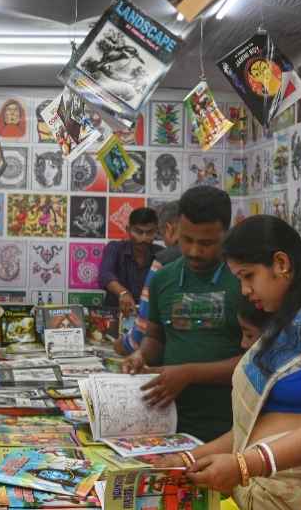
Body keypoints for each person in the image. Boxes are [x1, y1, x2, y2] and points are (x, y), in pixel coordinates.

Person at [150, 216, 301, 509]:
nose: (245, 290)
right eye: (239, 280)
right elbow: (248, 428)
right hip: (259, 493)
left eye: (248, 276)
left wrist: (244, 466)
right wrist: (188, 459)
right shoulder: (283, 324)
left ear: (281, 264)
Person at [125, 186, 244, 442]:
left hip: (229, 427)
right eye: (187, 239)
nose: (193, 251)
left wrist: (189, 373)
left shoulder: (244, 281)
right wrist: (141, 355)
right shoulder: (163, 278)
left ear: (226, 232)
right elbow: (156, 337)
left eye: (206, 243)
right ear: (176, 228)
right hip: (168, 422)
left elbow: (255, 361)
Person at [116, 201, 183, 358]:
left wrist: (123, 345)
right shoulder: (221, 258)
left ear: (169, 229)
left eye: (152, 232)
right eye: (139, 232)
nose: (144, 238)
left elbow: (142, 331)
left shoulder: (163, 260)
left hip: (167, 362)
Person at [98, 208, 163, 316]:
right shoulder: (115, 248)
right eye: (138, 231)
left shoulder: (162, 255)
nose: (143, 238)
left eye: (149, 232)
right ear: (128, 230)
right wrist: (123, 293)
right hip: (115, 315)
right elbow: (105, 274)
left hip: (148, 319)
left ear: (156, 231)